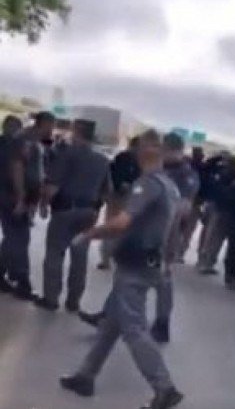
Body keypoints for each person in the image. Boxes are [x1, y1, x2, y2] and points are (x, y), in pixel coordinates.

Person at [59, 129, 183, 409]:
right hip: (150, 261)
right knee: (112, 324)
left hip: (135, 264)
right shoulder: (170, 187)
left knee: (134, 329)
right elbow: (175, 229)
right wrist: (168, 260)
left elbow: (122, 223)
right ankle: (86, 375)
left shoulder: (148, 184)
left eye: (139, 148)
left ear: (146, 151)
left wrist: (90, 234)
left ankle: (164, 388)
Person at [35, 119, 110, 312]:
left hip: (65, 210)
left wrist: (43, 204)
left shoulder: (66, 154)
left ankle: (51, 299)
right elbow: (107, 191)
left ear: (76, 132)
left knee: (55, 253)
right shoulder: (102, 160)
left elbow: (52, 186)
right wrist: (96, 211)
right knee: (80, 256)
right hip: (89, 212)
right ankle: (73, 301)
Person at [2, 111, 56, 300]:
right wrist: (21, 197)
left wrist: (37, 199)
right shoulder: (24, 140)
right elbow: (16, 168)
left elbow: (36, 172)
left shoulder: (35, 143)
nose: (52, 131)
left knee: (13, 237)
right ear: (41, 124)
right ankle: (22, 282)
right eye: (50, 126)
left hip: (21, 198)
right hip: (12, 197)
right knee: (19, 237)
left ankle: (2, 274)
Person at [154, 132, 199, 342]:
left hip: (165, 232)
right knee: (129, 276)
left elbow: (185, 208)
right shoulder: (160, 169)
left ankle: (162, 322)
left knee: (161, 278)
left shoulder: (185, 174)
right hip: (149, 230)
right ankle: (110, 316)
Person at [100, 137, 141, 269]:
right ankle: (106, 257)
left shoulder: (141, 162)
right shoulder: (122, 158)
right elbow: (114, 175)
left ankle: (117, 256)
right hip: (118, 197)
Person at [197, 155, 235, 275]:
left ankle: (204, 260)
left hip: (215, 206)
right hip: (222, 209)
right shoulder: (234, 178)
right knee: (215, 238)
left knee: (209, 235)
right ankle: (207, 262)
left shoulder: (220, 174)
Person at [0, 115, 24, 293]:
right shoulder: (15, 146)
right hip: (7, 197)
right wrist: (21, 197)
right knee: (12, 237)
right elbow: (16, 172)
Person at [179, 146, 205, 260]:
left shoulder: (187, 167)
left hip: (191, 201)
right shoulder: (199, 169)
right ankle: (179, 252)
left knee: (184, 229)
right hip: (190, 201)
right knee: (186, 230)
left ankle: (179, 252)